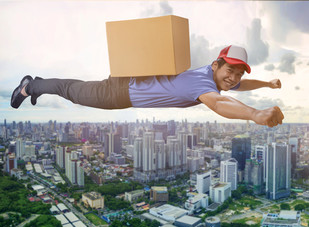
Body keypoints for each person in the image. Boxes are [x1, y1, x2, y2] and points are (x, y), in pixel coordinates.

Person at [11, 45, 284, 127]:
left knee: (75, 90)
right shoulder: (200, 85)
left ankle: (36, 86)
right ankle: (30, 86)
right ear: (216, 64)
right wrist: (254, 114)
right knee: (72, 92)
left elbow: (239, 86)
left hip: (127, 83)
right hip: (117, 93)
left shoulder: (214, 76)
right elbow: (219, 103)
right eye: (230, 71)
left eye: (237, 73)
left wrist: (267, 84)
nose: (233, 78)